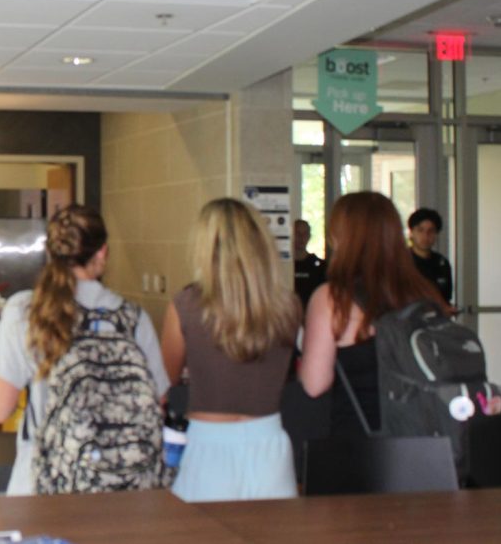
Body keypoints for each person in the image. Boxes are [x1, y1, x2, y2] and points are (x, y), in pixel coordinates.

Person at [0, 205, 170, 495]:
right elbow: (158, 401)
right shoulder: (133, 318)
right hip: (122, 484)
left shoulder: (25, 311)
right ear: (103, 253)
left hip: (44, 480)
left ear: (49, 253)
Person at [160, 198, 301, 502]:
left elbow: (164, 380)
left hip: (206, 446)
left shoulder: (186, 303)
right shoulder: (288, 304)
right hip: (270, 444)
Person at [299, 192, 452, 438]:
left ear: (340, 237)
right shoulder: (424, 291)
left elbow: (314, 384)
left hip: (361, 443)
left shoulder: (333, 298)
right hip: (423, 440)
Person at [407, 208, 454, 304]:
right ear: (411, 233)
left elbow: (445, 298)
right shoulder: (400, 262)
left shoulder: (442, 263)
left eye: (431, 231)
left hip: (436, 317)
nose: (426, 235)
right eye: (420, 230)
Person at [293, 219, 327, 311]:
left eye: (305, 233)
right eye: (297, 233)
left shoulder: (319, 266)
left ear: (309, 236)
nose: (301, 237)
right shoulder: (285, 266)